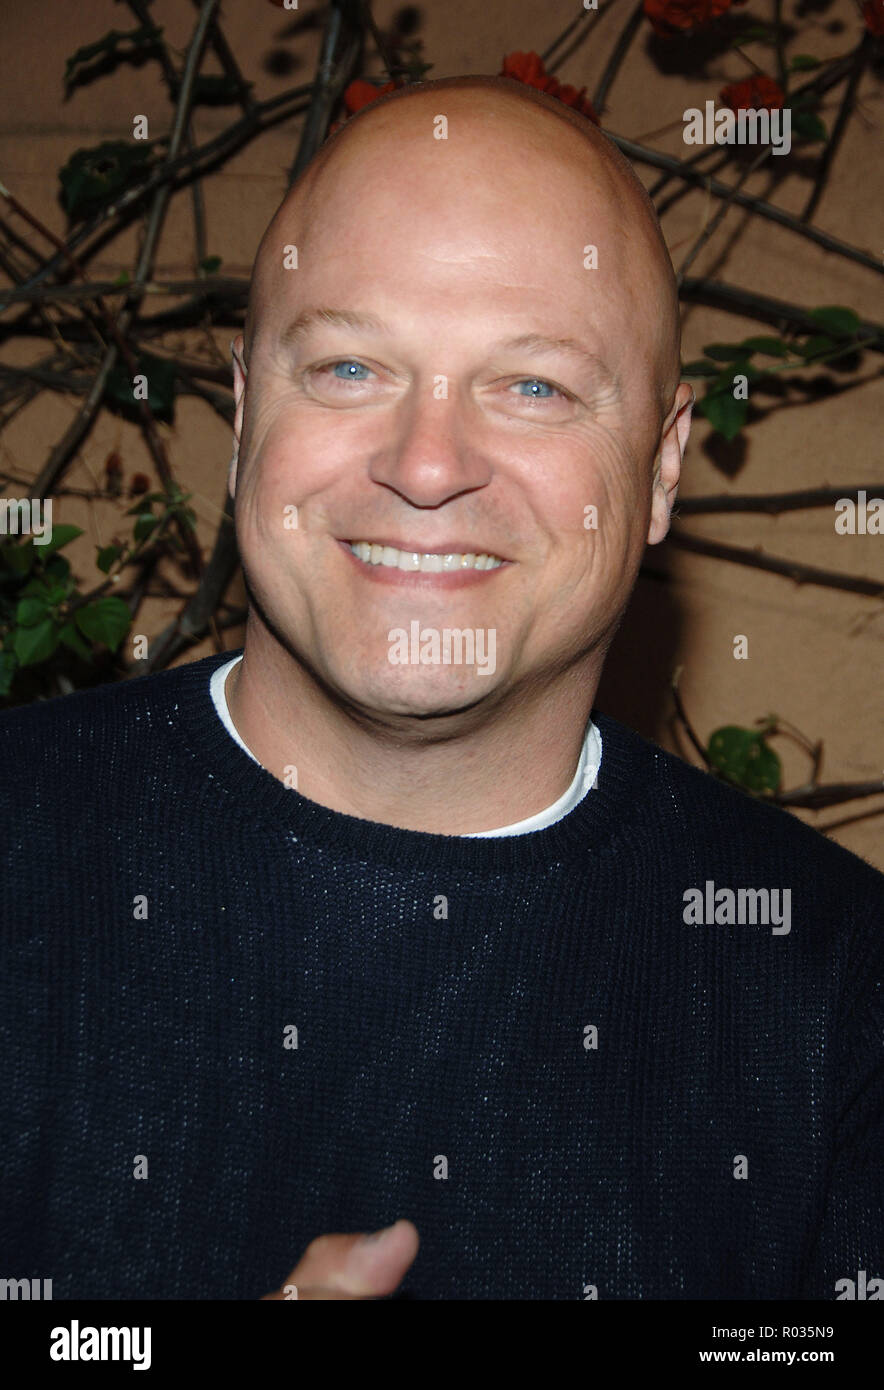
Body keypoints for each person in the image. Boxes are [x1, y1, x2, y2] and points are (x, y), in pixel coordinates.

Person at [1, 75, 881, 1302]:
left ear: (663, 464)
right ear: (248, 410)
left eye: (531, 386)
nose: (425, 465)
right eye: (351, 366)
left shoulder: (841, 999)